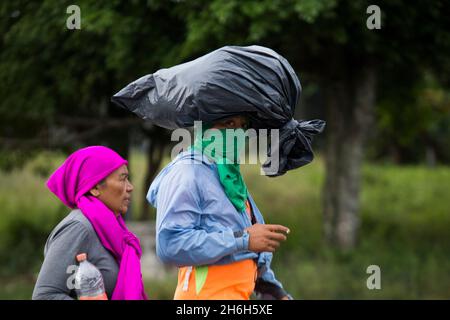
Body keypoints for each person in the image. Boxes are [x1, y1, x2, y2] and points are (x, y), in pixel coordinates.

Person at [148, 115, 292, 300]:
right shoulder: (187, 171)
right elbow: (171, 245)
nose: (236, 133)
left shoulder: (228, 175)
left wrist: (273, 291)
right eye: (228, 123)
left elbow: (244, 251)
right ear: (205, 127)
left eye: (243, 126)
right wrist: (244, 238)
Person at [32, 146, 147, 300]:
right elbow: (45, 295)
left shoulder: (113, 229)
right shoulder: (79, 228)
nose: (130, 187)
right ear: (94, 187)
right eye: (123, 178)